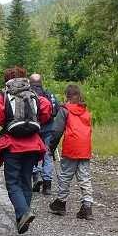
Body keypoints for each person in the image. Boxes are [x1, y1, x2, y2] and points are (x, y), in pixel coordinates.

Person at [0, 66, 52, 234]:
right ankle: (22, 217)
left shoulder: (1, 97)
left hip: (12, 145)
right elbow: (46, 112)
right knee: (26, 180)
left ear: (7, 80)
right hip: (33, 144)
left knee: (12, 182)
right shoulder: (35, 96)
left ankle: (24, 212)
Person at [48, 84, 94, 220]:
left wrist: (51, 146)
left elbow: (57, 131)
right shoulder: (85, 110)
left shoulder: (64, 110)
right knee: (84, 177)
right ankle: (87, 206)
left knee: (66, 175)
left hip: (71, 147)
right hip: (85, 148)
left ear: (67, 96)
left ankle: (61, 203)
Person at [29, 74, 59, 195]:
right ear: (42, 82)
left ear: (30, 82)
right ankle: (47, 185)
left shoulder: (28, 95)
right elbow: (56, 110)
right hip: (48, 129)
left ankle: (36, 178)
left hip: (33, 129)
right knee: (47, 155)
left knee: (32, 154)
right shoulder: (49, 95)